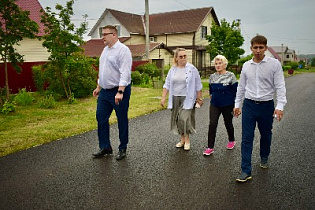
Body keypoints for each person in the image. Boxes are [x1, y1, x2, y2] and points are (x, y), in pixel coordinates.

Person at [233, 35, 287, 182]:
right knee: (246, 138)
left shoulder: (274, 64)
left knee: (266, 135)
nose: (258, 50)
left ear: (265, 48)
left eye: (261, 47)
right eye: (255, 47)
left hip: (266, 105)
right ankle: (246, 170)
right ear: (251, 48)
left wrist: (280, 106)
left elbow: (280, 86)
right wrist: (237, 105)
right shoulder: (246, 66)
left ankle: (264, 157)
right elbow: (241, 87)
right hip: (249, 105)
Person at [92, 25, 132, 160]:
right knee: (101, 117)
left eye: (105, 34)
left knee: (121, 119)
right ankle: (105, 147)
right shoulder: (105, 50)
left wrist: (120, 91)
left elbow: (125, 73)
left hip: (119, 90)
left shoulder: (123, 51)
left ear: (114, 35)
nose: (102, 37)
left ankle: (122, 148)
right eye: (101, 34)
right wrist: (99, 86)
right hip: (105, 92)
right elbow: (103, 71)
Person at [161, 48, 203, 151]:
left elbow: (198, 84)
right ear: (176, 58)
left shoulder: (192, 69)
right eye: (181, 56)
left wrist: (199, 98)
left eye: (185, 56)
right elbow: (166, 84)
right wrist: (163, 98)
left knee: (184, 119)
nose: (183, 58)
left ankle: (187, 140)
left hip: (188, 97)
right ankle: (182, 139)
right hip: (175, 97)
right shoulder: (173, 70)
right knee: (177, 119)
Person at [203, 55, 238, 156]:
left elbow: (235, 91)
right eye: (216, 64)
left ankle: (232, 140)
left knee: (228, 123)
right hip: (215, 104)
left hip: (228, 104)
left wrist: (235, 105)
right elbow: (211, 90)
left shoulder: (231, 76)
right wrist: (212, 96)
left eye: (220, 63)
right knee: (212, 124)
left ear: (225, 64)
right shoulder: (212, 77)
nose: (218, 65)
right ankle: (210, 147)